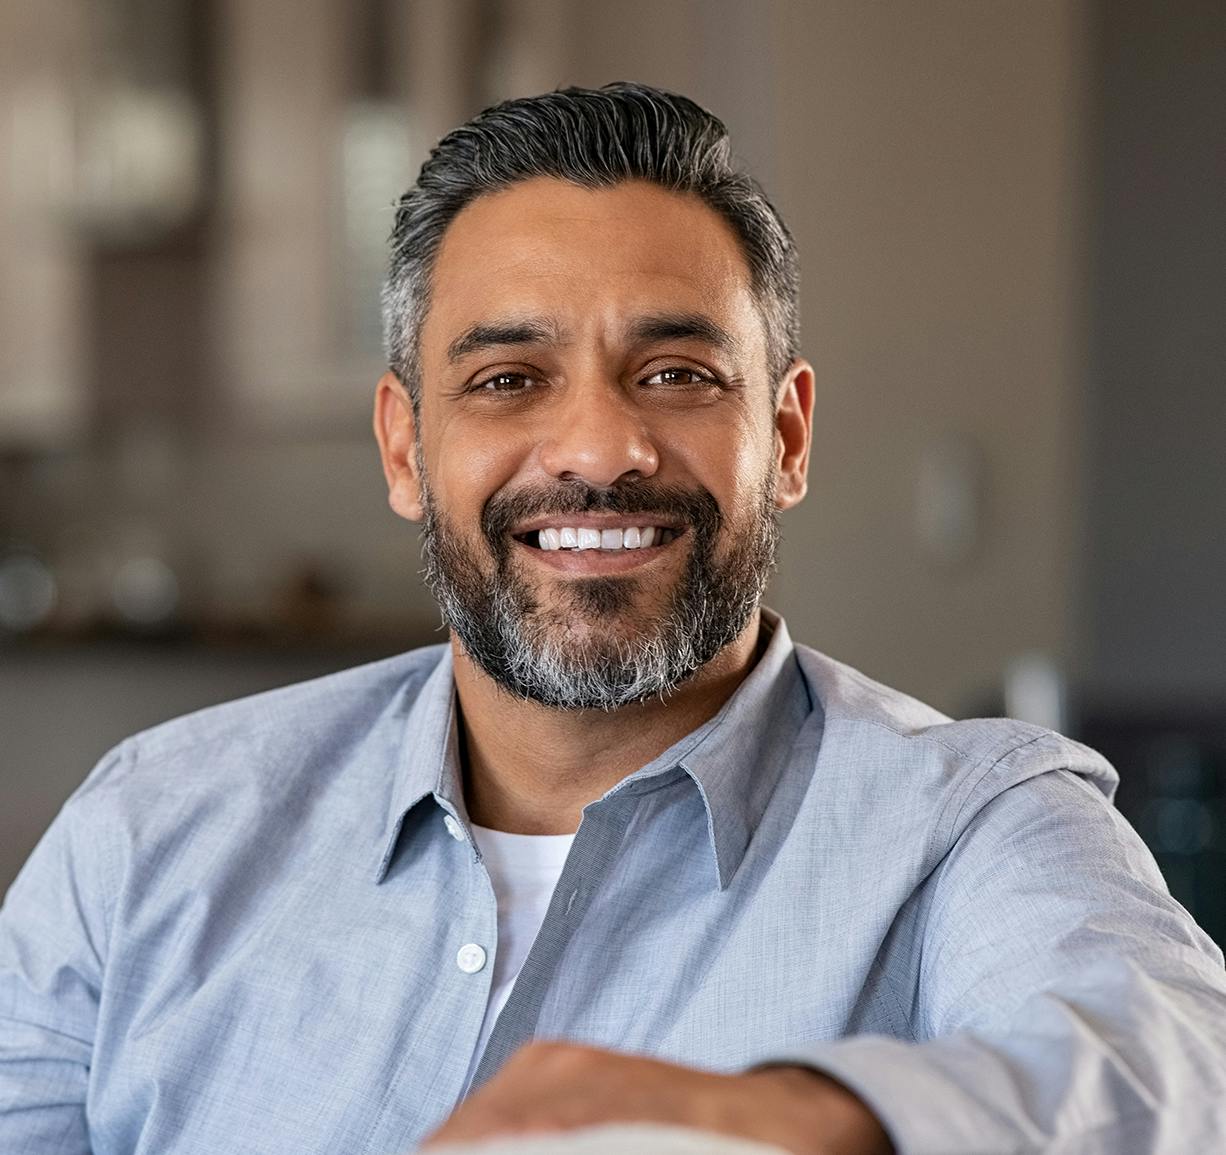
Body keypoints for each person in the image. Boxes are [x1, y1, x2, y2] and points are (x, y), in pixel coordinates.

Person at [1, 83, 1224, 1155]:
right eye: (505, 380)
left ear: (785, 437)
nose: (597, 447)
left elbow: (1166, 1075)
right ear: (402, 447)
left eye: (676, 374)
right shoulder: (149, 827)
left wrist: (797, 1118)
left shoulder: (976, 826)